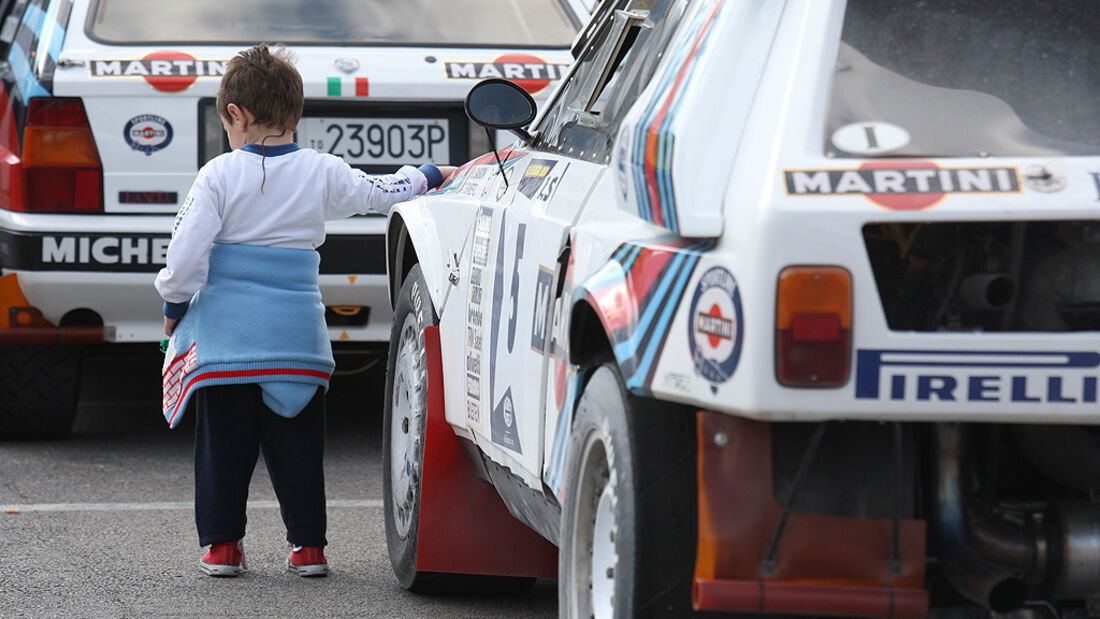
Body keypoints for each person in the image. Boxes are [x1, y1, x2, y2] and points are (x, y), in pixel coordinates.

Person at [154, 44, 455, 578]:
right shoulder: (323, 170)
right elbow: (382, 192)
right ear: (296, 115)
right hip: (296, 337)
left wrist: (174, 307)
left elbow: (184, 258)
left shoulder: (217, 177)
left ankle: (221, 547)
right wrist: (430, 173)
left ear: (235, 115)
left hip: (227, 343)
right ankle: (308, 548)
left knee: (222, 449)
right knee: (297, 447)